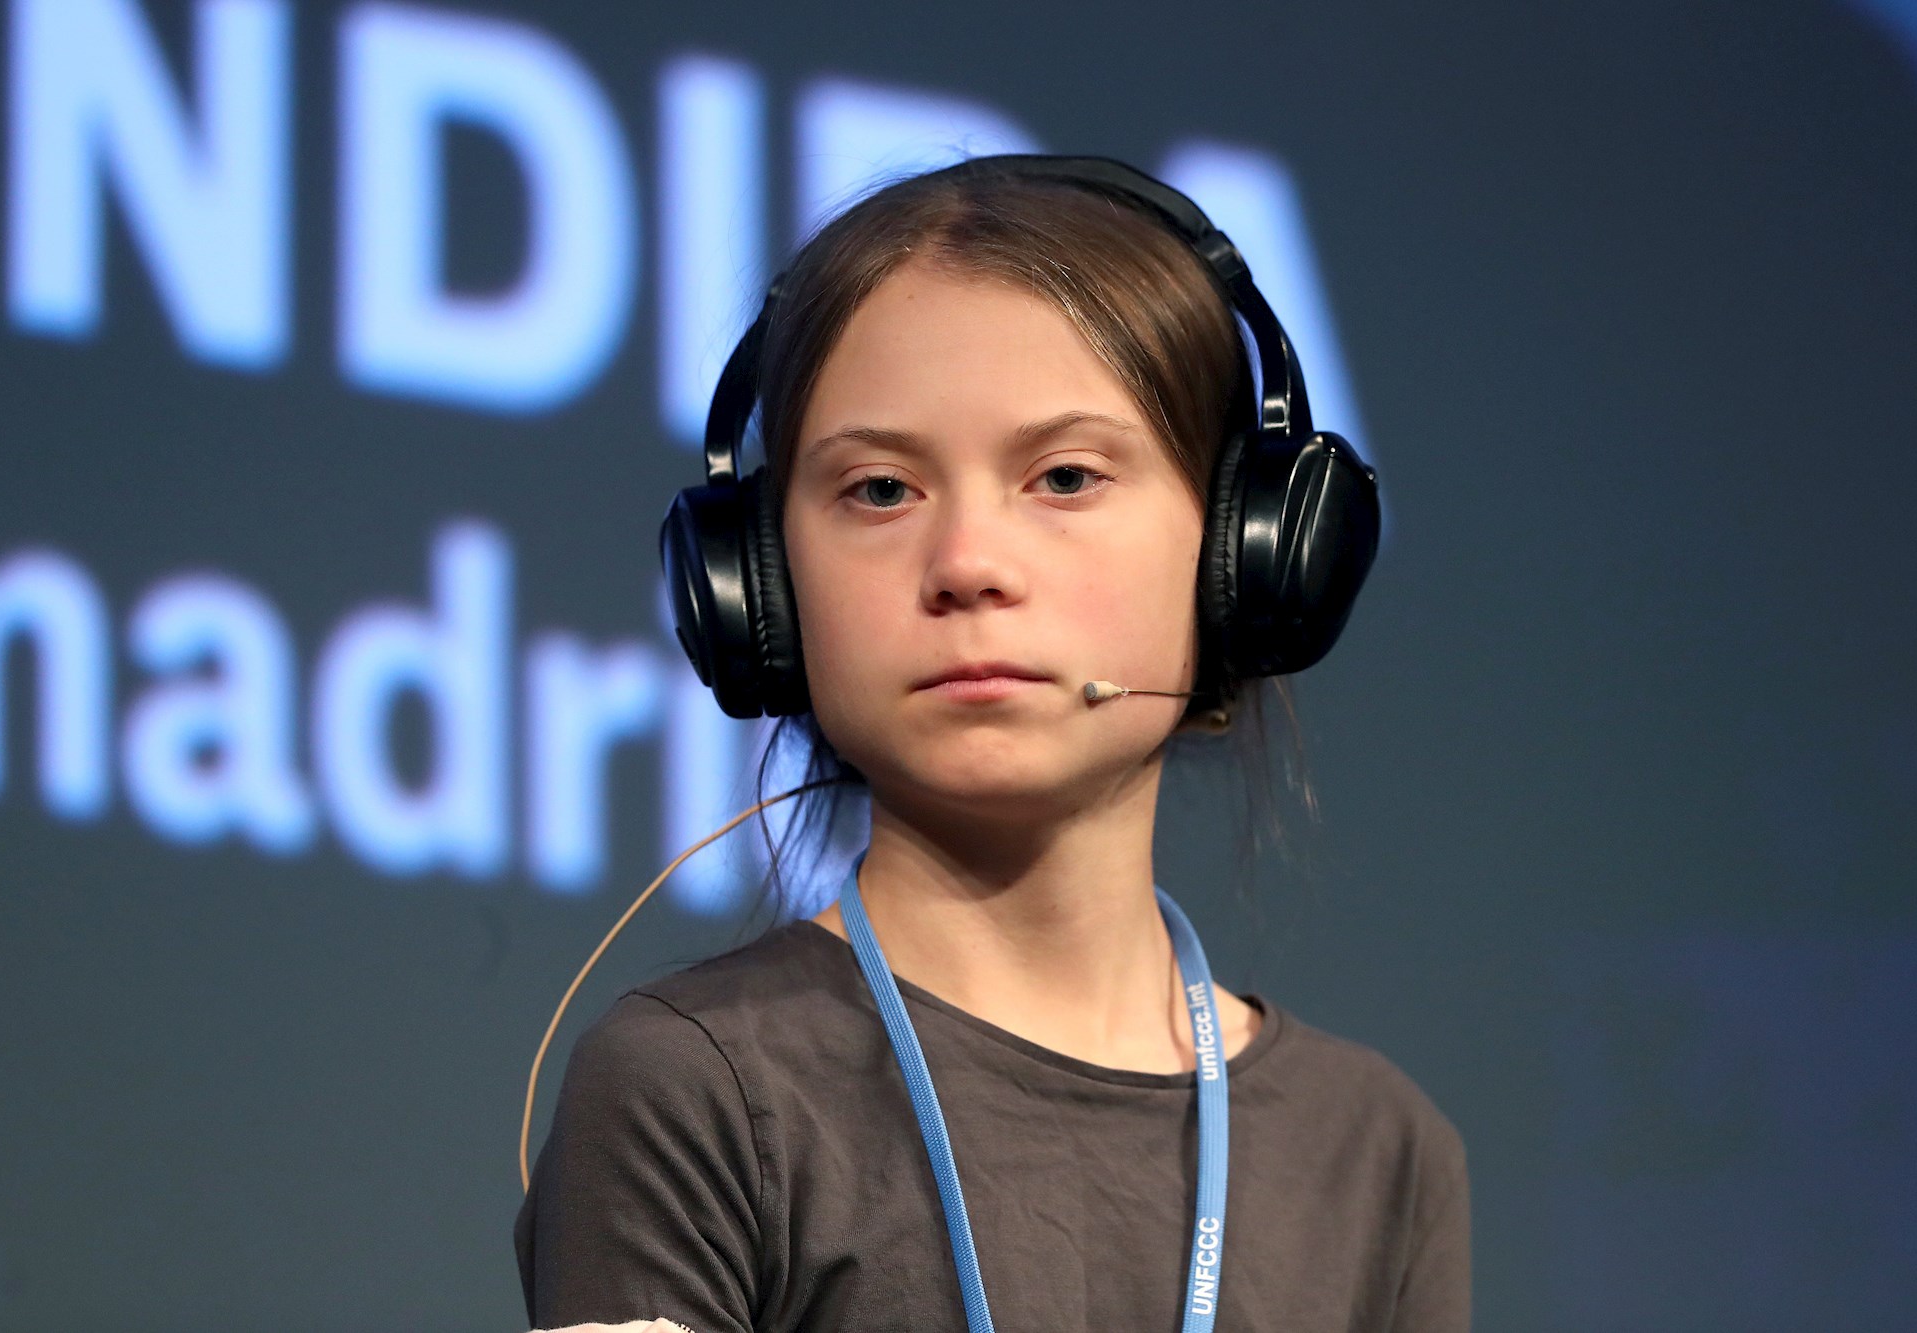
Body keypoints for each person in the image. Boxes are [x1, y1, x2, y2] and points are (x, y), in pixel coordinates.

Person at [514, 154, 1470, 1333]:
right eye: (876, 490)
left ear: (1243, 551)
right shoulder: (694, 1086)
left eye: (1063, 476)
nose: (967, 562)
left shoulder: (1374, 1148)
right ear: (755, 582)